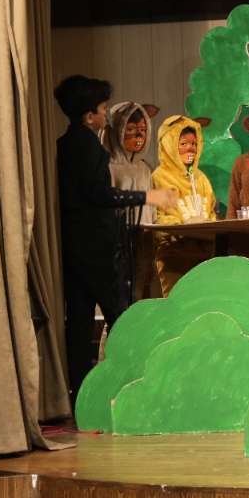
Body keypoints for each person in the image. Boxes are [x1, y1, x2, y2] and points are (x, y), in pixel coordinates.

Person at [55, 76, 176, 401]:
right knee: (119, 317)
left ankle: (81, 394)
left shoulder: (64, 143)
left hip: (74, 244)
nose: (104, 116)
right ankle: (132, 387)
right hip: (96, 244)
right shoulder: (89, 147)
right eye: (102, 109)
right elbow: (99, 195)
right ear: (89, 115)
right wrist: (147, 197)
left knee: (79, 322)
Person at [152, 115, 217, 296]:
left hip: (203, 258)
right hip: (174, 259)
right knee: (176, 305)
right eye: (183, 143)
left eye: (194, 143)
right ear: (170, 145)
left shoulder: (201, 178)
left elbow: (211, 212)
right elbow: (157, 218)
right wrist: (183, 227)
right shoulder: (160, 176)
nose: (190, 148)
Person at [104, 102, 158, 302]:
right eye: (131, 129)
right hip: (120, 238)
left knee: (142, 286)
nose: (138, 135)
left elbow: (151, 207)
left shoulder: (144, 169)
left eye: (143, 130)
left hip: (143, 237)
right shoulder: (110, 166)